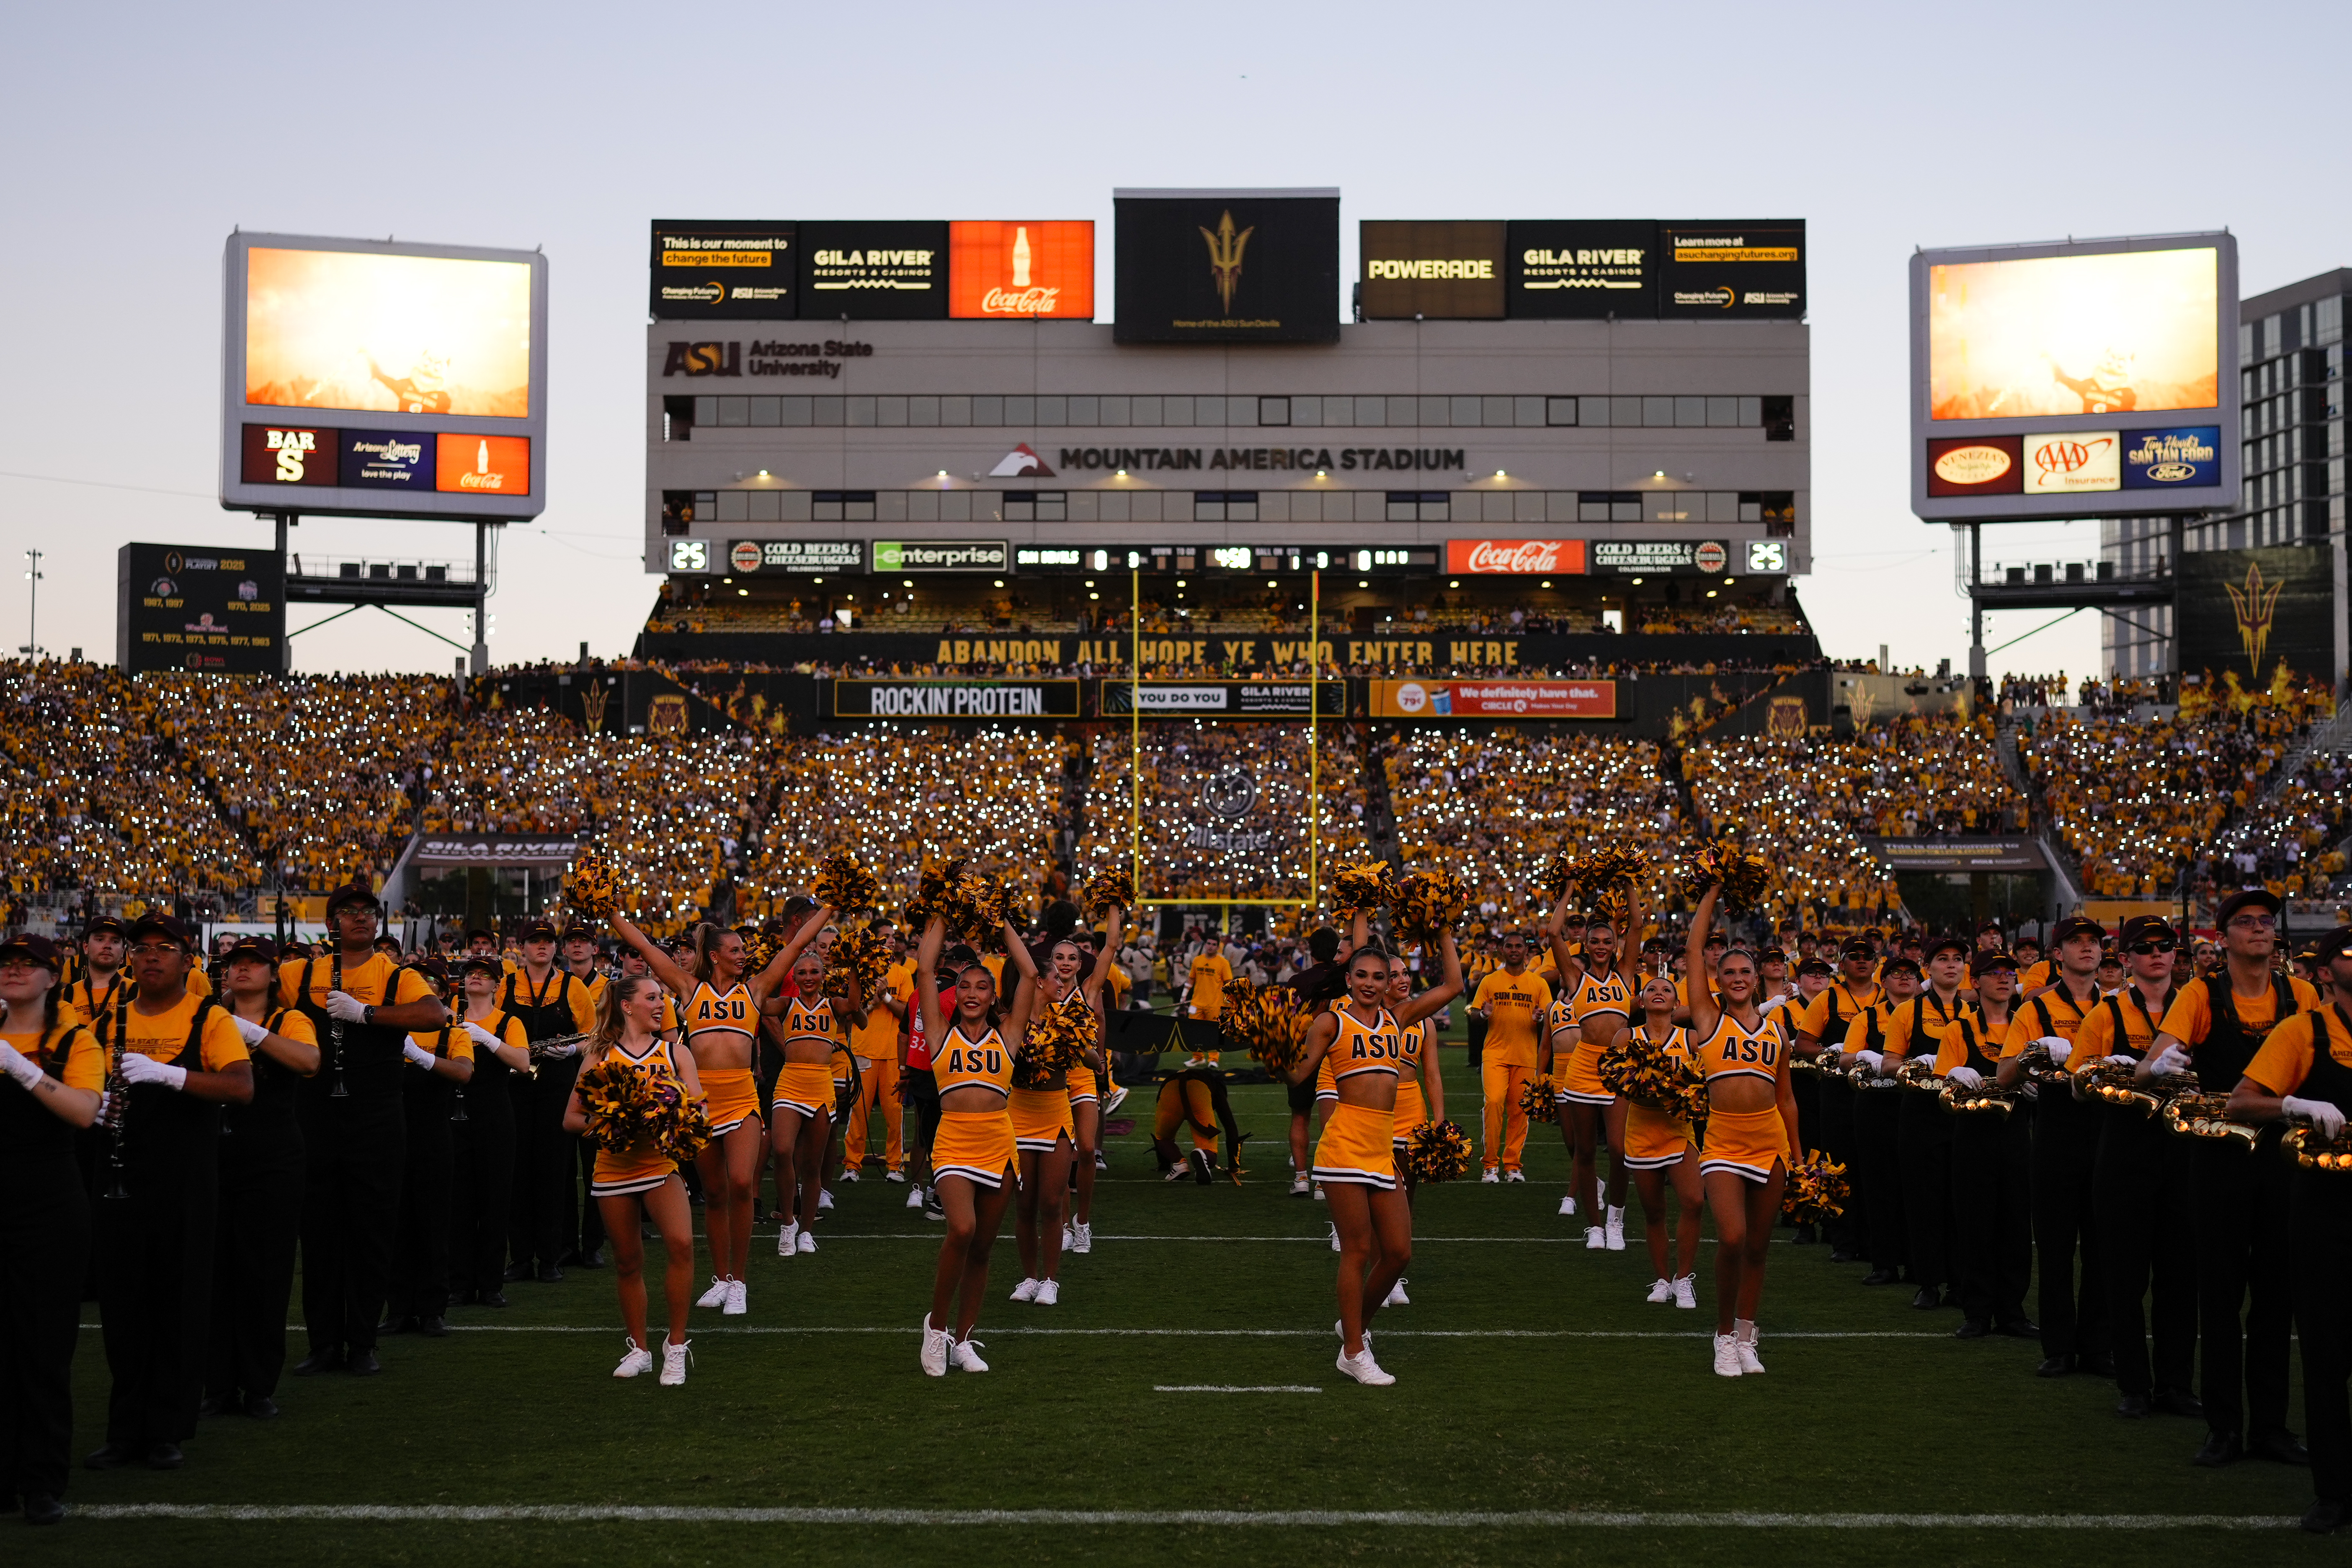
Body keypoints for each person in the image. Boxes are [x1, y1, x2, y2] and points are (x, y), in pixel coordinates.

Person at [2141, 887, 2318, 1462]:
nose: (2261, 930)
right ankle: (2224, 1426)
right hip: (2217, 1161)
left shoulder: (2303, 993)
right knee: (2218, 1297)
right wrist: (2157, 1065)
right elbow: (2151, 1064)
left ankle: (2270, 1426)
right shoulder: (2200, 992)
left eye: (2268, 921)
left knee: (2276, 1297)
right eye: (2246, 922)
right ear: (2223, 936)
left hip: (2285, 1160)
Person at [87, 914, 254, 1468]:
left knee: (179, 1303)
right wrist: (96, 1107)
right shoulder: (109, 1017)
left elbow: (239, 1085)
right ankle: (126, 1426)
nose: (150, 957)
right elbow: (82, 1086)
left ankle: (167, 1428)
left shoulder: (209, 1016)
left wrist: (171, 1075)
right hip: (122, 1180)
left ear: (189, 960)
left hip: (185, 1182)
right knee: (125, 1306)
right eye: (142, 948)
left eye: (165, 948)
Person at [279, 885, 444, 1378]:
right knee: (321, 1230)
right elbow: (244, 1000)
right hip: (315, 1112)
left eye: (368, 912)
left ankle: (363, 1341)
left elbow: (434, 1015)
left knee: (372, 1229)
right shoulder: (299, 972)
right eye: (348, 912)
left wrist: (366, 1013)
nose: (359, 919)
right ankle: (324, 1342)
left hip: (376, 1114)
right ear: (332, 923)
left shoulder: (397, 974)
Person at [1284, 927, 1462, 1386]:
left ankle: (1354, 1327)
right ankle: (1354, 1351)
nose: (1368, 982)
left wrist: (1441, 930)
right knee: (1359, 1250)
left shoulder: (1399, 1020)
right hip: (1344, 1144)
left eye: (1377, 976)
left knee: (1400, 1253)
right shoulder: (1332, 1022)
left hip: (1384, 1147)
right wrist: (1273, 1046)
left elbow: (1454, 987)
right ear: (1349, 980)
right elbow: (1300, 1073)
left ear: (1388, 983)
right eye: (1360, 975)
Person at [2225, 923, 2352, 1531]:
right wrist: (2294, 1105)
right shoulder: (2303, 1030)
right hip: (2329, 1205)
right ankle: (2333, 1491)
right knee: (2327, 1353)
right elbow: (2239, 1103)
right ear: (2325, 972)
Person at [609, 913, 797, 1311]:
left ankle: (741, 1281)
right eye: (735, 950)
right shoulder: (689, 989)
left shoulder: (756, 991)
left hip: (743, 1096)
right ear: (714, 956)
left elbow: (793, 949)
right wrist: (610, 913)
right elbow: (644, 946)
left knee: (742, 1183)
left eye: (744, 950)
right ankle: (721, 1278)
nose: (743, 955)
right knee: (713, 1193)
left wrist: (832, 907)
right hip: (700, 1100)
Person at [2071, 916, 2195, 1421]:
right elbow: (2078, 1086)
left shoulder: (2197, 1007)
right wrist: (2115, 1071)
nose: (2159, 955)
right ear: (2125, 960)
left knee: (2181, 1276)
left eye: (2166, 946)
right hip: (2123, 1150)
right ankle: (2134, 1385)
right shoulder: (2106, 1014)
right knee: (2124, 1274)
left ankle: (2176, 1384)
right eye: (2145, 948)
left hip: (2183, 1151)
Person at [0, 933, 105, 1525]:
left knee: (43, 1348)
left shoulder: (73, 1039)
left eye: (27, 965)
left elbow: (85, 1112)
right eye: (6, 964)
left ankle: (42, 1479)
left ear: (51, 977)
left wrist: (19, 1067)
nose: (13, 972)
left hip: (49, 1206)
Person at [562, 973, 704, 1386]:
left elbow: (700, 1111)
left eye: (662, 998)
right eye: (652, 998)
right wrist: (611, 1126)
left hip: (660, 1166)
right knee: (628, 1262)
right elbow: (571, 1118)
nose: (661, 1005)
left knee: (680, 1245)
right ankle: (639, 1349)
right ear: (627, 1006)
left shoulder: (677, 1053)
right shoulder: (601, 1057)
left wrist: (671, 1115)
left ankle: (675, 1347)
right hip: (614, 1169)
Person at [1682, 886, 1798, 1378]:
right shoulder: (1708, 1019)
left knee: (1758, 1245)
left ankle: (1749, 1335)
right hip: (1725, 1142)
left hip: (1770, 1143)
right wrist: (1712, 891)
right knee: (1731, 1237)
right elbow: (1691, 949)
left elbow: (1787, 1098)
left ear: (1757, 980)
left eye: (1743, 972)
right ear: (1718, 979)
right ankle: (1723, 1335)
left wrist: (1799, 1156)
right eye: (1727, 972)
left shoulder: (1777, 1032)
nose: (1735, 978)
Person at [913, 911, 1035, 1375]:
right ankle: (937, 1328)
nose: (972, 994)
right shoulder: (941, 1034)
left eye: (982, 987)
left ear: (993, 997)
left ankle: (964, 1340)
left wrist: (998, 916)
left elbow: (1029, 972)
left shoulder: (1009, 1035)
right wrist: (944, 912)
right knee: (960, 1230)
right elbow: (924, 969)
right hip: (954, 1143)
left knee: (983, 1248)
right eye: (965, 987)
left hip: (999, 1144)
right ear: (955, 994)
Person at [1995, 914, 2113, 1380]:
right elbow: (2004, 1076)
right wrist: (2031, 1055)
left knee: (2103, 1246)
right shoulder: (2034, 1009)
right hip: (2056, 1132)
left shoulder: (2119, 1007)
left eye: (2094, 942)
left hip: (2107, 1131)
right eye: (2076, 942)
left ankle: (2099, 1347)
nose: (2087, 948)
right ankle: (2060, 1347)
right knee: (2057, 1244)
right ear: (2057, 955)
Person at [205, 937, 317, 1420]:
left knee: (265, 1272)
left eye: (254, 963)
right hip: (214, 1155)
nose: (243, 970)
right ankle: (218, 1384)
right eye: (236, 964)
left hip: (273, 1158)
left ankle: (258, 1384)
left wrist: (251, 1036)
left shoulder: (289, 1019)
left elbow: (310, 1062)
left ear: (274, 974)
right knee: (216, 1273)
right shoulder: (207, 1016)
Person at [999, 901, 1124, 1300]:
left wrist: (1115, 908)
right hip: (1031, 1096)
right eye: (1060, 959)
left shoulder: (1086, 993)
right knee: (1026, 1200)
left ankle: (1081, 1223)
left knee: (1085, 1149)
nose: (1067, 965)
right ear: (1048, 967)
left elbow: (1109, 949)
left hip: (1078, 1078)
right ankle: (1033, 1272)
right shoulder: (1029, 1003)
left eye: (1073, 958)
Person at [1935, 949, 2034, 1340]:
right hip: (1973, 1136)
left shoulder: (2024, 1025)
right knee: (1975, 1225)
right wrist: (1954, 1075)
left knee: (2015, 1225)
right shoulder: (1958, 1030)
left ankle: (2012, 1311)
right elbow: (1944, 1086)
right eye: (1994, 973)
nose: (2005, 978)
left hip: (2016, 1135)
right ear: (1975, 982)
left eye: (2010, 972)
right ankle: (1977, 1312)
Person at [494, 919, 597, 1285]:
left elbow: (595, 1038)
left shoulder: (573, 987)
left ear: (556, 948)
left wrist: (570, 1048)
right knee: (516, 1171)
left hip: (557, 1085)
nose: (542, 947)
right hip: (513, 1085)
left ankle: (551, 1257)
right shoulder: (505, 984)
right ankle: (520, 1257)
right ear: (521, 948)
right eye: (534, 941)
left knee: (556, 1172)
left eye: (547, 941)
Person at [381, 964, 478, 1339]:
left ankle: (432, 1309)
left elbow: (464, 1072)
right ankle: (399, 1308)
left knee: (435, 1222)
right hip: (393, 1133)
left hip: (435, 1136)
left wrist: (420, 1057)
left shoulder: (454, 1032)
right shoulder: (391, 1029)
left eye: (431, 986)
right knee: (396, 1222)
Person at [758, 909, 858, 1258]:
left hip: (821, 1084)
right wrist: (767, 969)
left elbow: (857, 1006)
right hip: (790, 1082)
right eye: (802, 972)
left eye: (815, 971)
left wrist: (858, 968)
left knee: (813, 1166)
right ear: (795, 976)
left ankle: (807, 1230)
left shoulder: (833, 1005)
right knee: (783, 1150)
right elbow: (757, 1002)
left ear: (824, 974)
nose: (809, 976)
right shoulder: (787, 1004)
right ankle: (788, 1223)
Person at [1880, 934, 1972, 1311]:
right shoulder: (1908, 1011)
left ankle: (1960, 1281)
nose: (1951, 965)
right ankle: (1928, 1282)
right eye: (1942, 959)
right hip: (1921, 1115)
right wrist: (1918, 1064)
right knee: (1924, 1200)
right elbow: (1888, 1064)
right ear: (1928, 969)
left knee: (1962, 1202)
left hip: (1965, 1115)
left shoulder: (1975, 1012)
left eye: (1957, 959)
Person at [1544, 889, 1638, 1245]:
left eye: (1607, 941)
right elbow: (1554, 933)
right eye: (1594, 941)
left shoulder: (1625, 975)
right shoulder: (1576, 979)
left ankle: (1616, 1220)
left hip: (1617, 1069)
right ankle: (1595, 1226)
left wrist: (1629, 884)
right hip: (1582, 1068)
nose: (1600, 946)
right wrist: (1568, 890)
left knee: (1618, 1150)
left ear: (1616, 945)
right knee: (1584, 1151)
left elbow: (1639, 924)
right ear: (1586, 944)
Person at [1790, 936, 1885, 1265]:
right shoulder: (1827, 999)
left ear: (1877, 962)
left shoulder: (1890, 998)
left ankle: (1877, 1243)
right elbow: (1803, 1044)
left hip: (1880, 1096)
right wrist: (1830, 1054)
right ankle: (1843, 1240)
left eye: (1868, 955)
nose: (1861, 961)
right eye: (1854, 956)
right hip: (1838, 1095)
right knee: (1840, 1166)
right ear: (1841, 964)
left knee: (1876, 1169)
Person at [1615, 972, 1701, 1309]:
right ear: (1641, 1001)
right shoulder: (1626, 1036)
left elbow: (1703, 1083)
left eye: (1667, 990)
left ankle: (1684, 1279)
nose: (1659, 993)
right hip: (1642, 1129)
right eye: (1652, 989)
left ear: (1677, 1003)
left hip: (1679, 1129)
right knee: (1654, 1212)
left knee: (1694, 1201)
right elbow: (1615, 1082)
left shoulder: (1691, 1038)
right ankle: (1663, 1279)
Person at [1474, 928, 1554, 1187]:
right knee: (1494, 1103)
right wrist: (1484, 1014)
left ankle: (1512, 1165)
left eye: (1519, 947)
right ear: (1502, 950)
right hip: (1495, 1054)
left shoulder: (1539, 983)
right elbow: (1475, 1015)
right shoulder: (1490, 981)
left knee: (1520, 1112)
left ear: (1527, 952)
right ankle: (1489, 1165)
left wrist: (1540, 1020)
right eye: (1510, 946)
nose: (1514, 951)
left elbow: (1551, 1020)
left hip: (1526, 1055)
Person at [1182, 935, 1232, 1068]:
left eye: (1214, 944)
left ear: (1218, 947)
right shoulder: (1198, 960)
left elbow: (1229, 983)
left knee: (1213, 1033)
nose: (1210, 946)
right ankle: (1198, 1058)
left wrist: (1229, 1002)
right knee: (1193, 1031)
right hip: (1196, 1003)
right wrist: (1184, 995)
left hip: (1214, 1004)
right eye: (1209, 944)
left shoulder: (1223, 963)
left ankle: (1213, 1059)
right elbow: (1191, 979)